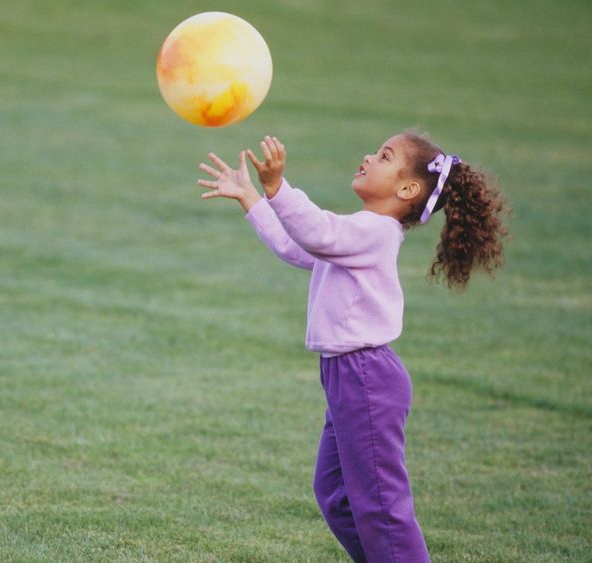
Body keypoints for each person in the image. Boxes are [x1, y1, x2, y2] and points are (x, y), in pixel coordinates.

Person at [196, 131, 508, 562]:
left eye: (384, 156)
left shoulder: (375, 232)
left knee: (381, 507)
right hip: (349, 376)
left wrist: (278, 188)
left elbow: (318, 232)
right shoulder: (358, 235)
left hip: (366, 377)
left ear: (407, 189)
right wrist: (252, 198)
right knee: (336, 495)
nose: (368, 156)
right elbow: (296, 245)